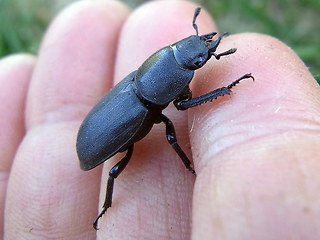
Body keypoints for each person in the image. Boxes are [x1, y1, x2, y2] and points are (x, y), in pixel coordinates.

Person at [1, 1, 320, 239]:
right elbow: (182, 106)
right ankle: (108, 207)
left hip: (110, 115)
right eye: (192, 57)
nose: (202, 49)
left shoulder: (143, 77)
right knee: (117, 169)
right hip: (100, 138)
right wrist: (224, 90)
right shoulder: (151, 98)